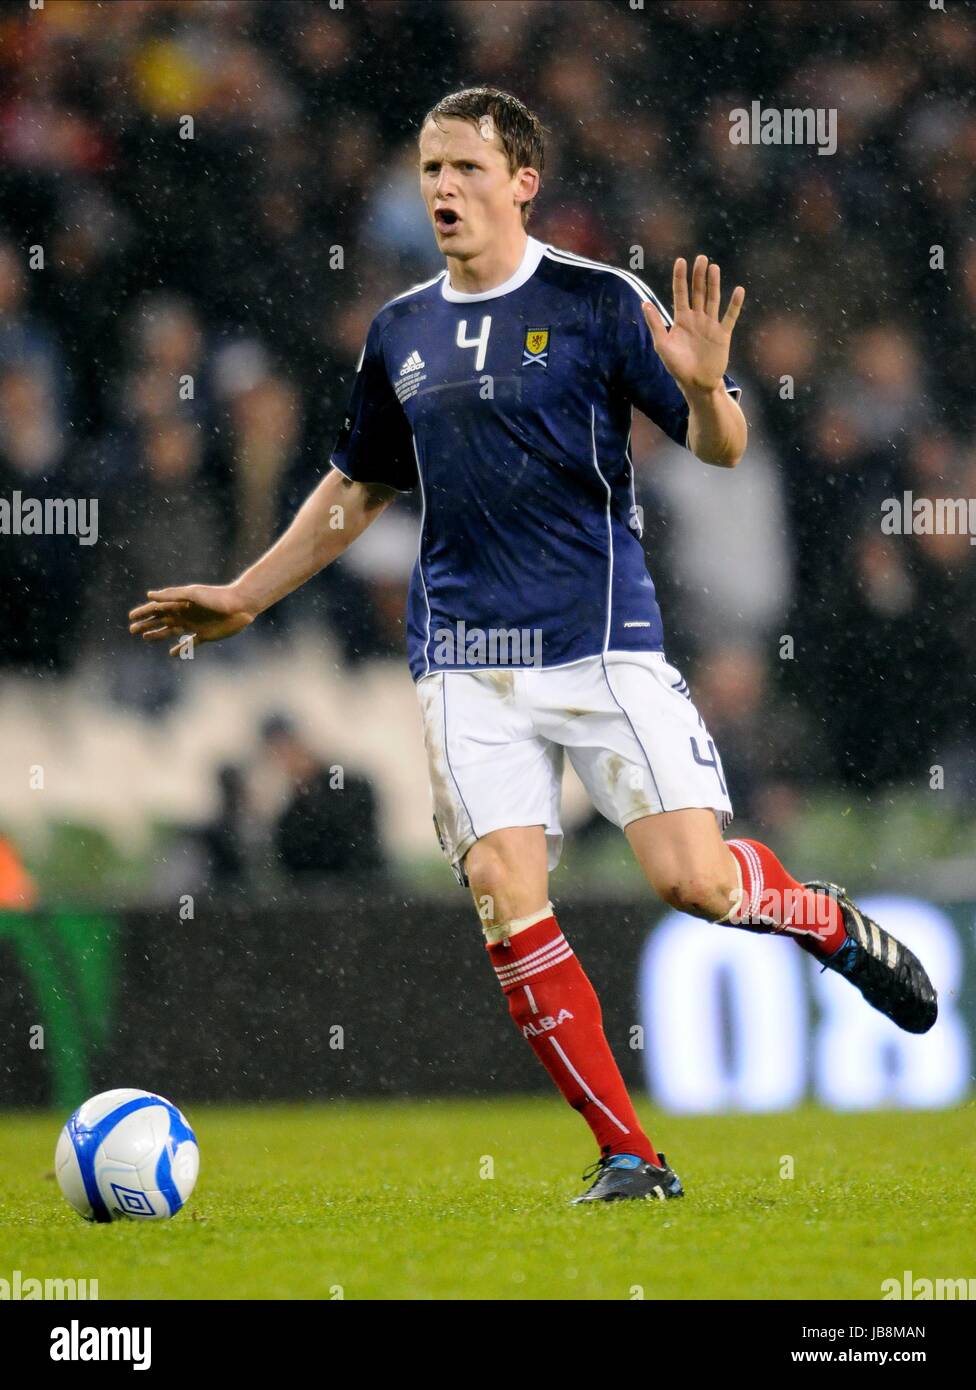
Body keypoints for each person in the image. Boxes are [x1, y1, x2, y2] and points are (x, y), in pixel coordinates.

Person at [128, 87, 937, 1205]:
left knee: (697, 883)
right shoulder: (398, 329)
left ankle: (820, 918)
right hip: (461, 654)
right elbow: (360, 483)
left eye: (466, 167)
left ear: (523, 179)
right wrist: (246, 595)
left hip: (601, 644)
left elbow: (720, 446)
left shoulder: (598, 301)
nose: (444, 189)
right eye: (429, 170)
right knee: (507, 890)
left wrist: (704, 390)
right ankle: (629, 1157)